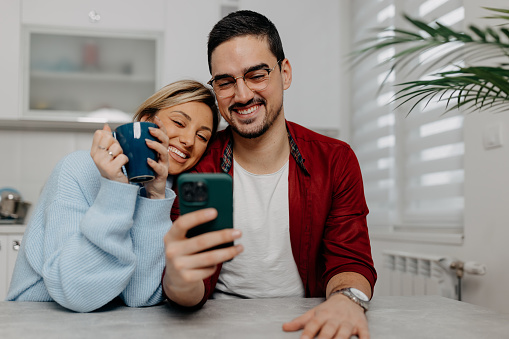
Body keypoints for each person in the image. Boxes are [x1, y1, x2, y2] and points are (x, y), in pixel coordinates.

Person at [162, 10, 376, 339]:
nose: (243, 94)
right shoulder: (199, 162)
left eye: (257, 75)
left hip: (307, 323)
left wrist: (347, 300)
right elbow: (192, 287)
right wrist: (179, 280)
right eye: (225, 82)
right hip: (215, 325)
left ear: (284, 73)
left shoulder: (335, 159)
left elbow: (349, 258)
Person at [6, 80, 220, 313]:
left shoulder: (166, 189)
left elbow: (141, 296)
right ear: (147, 121)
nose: (189, 140)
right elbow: (76, 293)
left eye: (202, 136)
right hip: (37, 318)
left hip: (107, 324)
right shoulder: (77, 168)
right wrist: (116, 189)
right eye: (179, 122)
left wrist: (156, 197)